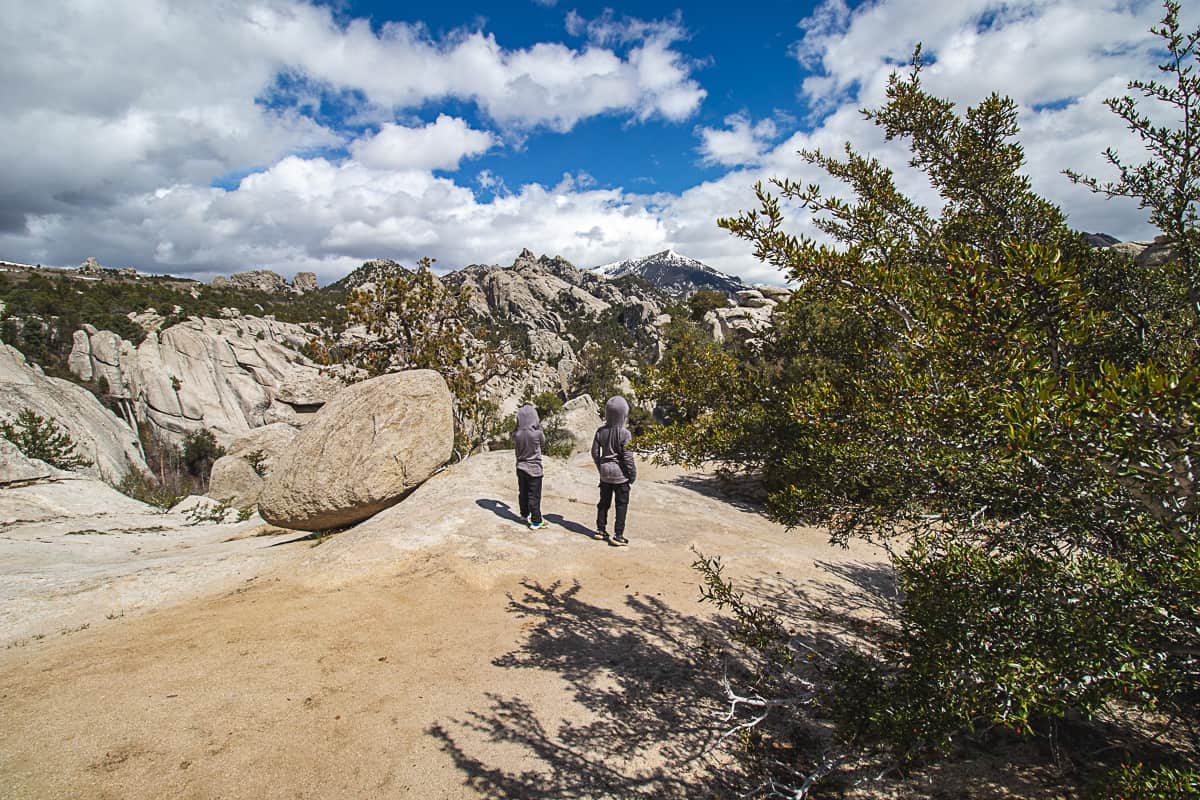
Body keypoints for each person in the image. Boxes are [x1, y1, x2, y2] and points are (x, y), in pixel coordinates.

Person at [591, 395, 636, 546]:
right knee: (621, 505)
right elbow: (628, 457)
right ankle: (618, 535)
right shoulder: (625, 433)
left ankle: (600, 530)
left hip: (605, 474)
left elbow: (595, 452)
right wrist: (632, 475)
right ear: (624, 414)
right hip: (620, 475)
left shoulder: (600, 431)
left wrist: (601, 467)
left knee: (603, 503)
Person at [514, 403, 547, 530]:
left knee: (523, 493)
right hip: (534, 469)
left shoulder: (517, 434)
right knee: (534, 495)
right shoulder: (537, 433)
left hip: (520, 466)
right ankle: (536, 520)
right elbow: (543, 443)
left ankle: (524, 514)